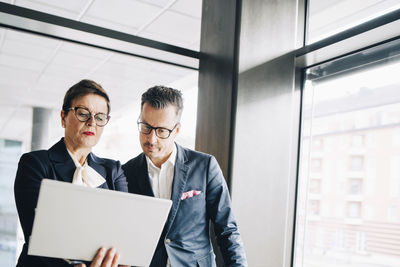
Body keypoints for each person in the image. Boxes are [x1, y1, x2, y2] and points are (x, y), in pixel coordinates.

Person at [122, 86, 248, 266]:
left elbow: (227, 230)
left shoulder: (205, 166)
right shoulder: (126, 173)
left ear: (177, 130)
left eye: (162, 131)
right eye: (146, 127)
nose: (151, 139)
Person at [14, 79, 128, 267]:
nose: (92, 122)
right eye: (83, 114)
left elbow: (121, 234)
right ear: (63, 117)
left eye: (100, 117)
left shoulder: (113, 171)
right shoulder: (35, 164)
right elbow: (39, 236)